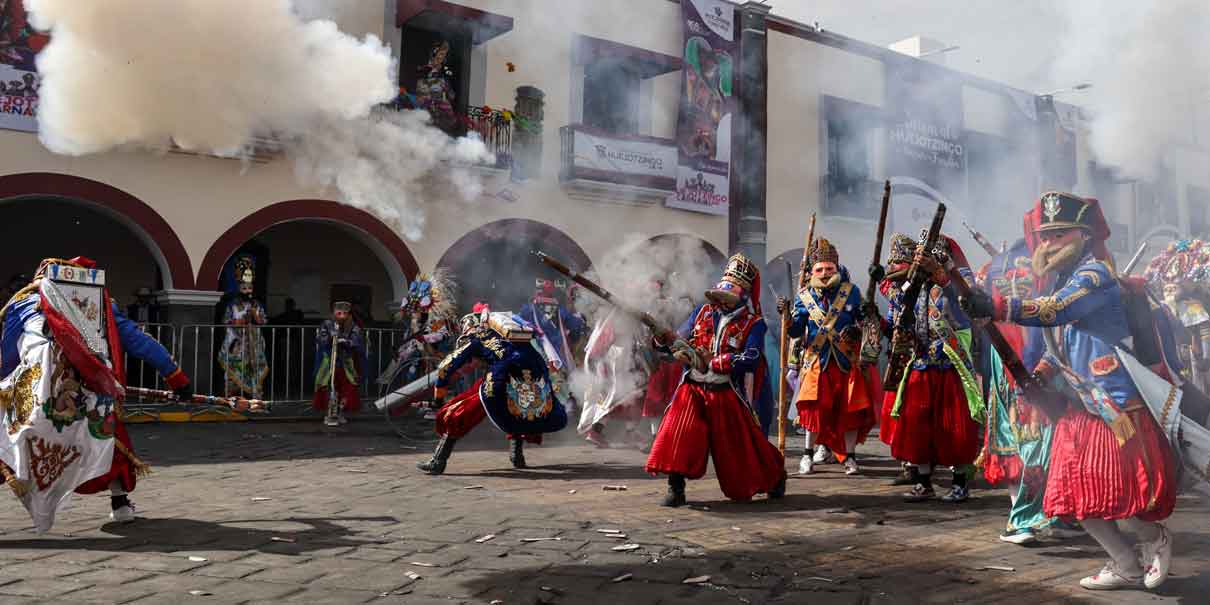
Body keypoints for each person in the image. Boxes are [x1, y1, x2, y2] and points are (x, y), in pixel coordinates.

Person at [963, 192, 1178, 591]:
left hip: (1114, 406)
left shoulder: (1094, 275)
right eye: (1045, 235)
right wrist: (1041, 377)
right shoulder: (1062, 278)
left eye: (1059, 234)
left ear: (1083, 234)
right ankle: (1124, 562)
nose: (1048, 243)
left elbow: (1055, 310)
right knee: (1072, 496)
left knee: (1124, 495)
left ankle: (1154, 539)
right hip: (1078, 406)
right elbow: (1055, 344)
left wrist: (998, 306)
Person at [0, 257, 192, 531]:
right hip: (89, 386)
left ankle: (120, 503)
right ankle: (120, 503)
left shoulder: (23, 303)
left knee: (7, 436)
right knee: (107, 436)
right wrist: (177, 378)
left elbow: (6, 353)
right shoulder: (101, 304)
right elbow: (140, 342)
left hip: (36, 385)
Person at [645, 254, 786, 507]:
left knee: (740, 452)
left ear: (742, 295)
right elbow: (679, 340)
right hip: (693, 386)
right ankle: (675, 487)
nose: (721, 299)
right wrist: (661, 338)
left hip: (726, 390)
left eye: (729, 293)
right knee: (678, 432)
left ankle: (774, 477)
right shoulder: (701, 312)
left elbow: (751, 357)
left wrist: (716, 361)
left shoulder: (754, 323)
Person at [877, 233, 984, 504]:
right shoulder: (912, 288)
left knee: (955, 426)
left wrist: (942, 276)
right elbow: (896, 322)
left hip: (951, 363)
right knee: (918, 425)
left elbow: (968, 308)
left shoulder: (959, 284)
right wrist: (874, 317)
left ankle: (960, 483)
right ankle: (924, 483)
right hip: (921, 362)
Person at [417, 305, 568, 475]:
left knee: (461, 409)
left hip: (501, 377)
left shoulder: (476, 337)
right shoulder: (513, 336)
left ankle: (438, 460)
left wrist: (438, 400)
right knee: (518, 405)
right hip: (535, 374)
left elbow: (445, 368)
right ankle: (517, 456)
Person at [779, 238, 873, 476]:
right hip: (816, 363)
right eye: (819, 269)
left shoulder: (851, 292)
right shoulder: (803, 297)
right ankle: (807, 455)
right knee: (813, 411)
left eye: (829, 269)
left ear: (836, 268)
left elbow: (866, 323)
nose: (824, 273)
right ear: (812, 271)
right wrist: (787, 317)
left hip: (845, 362)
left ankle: (850, 457)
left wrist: (858, 328)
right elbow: (796, 332)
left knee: (850, 410)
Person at [218, 256, 268, 398]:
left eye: (250, 287)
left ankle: (256, 398)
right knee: (233, 371)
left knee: (255, 371)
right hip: (236, 344)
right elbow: (226, 321)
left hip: (254, 344)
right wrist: (238, 322)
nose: (247, 290)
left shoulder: (257, 305)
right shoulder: (232, 305)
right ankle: (229, 398)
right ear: (239, 288)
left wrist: (255, 316)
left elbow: (263, 321)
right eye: (244, 288)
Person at [313, 301, 366, 426]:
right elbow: (321, 339)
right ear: (334, 313)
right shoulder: (326, 324)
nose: (342, 316)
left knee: (349, 387)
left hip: (346, 361)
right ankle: (329, 413)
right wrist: (331, 338)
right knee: (327, 385)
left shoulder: (353, 326)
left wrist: (346, 342)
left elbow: (357, 341)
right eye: (339, 313)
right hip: (328, 361)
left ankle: (340, 412)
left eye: (345, 313)